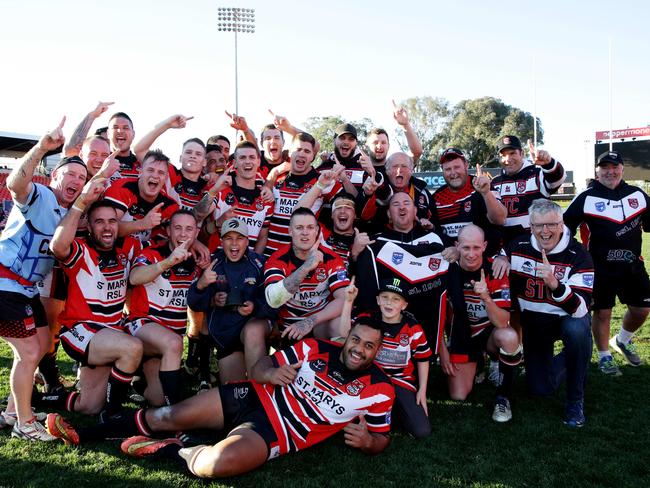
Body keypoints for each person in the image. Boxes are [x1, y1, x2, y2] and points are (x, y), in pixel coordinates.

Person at [46, 321, 395, 479]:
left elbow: (382, 439)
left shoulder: (380, 389)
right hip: (253, 395)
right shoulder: (317, 348)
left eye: (369, 346)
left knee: (213, 466)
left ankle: (171, 449)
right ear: (347, 336)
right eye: (356, 340)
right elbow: (261, 367)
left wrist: (368, 442)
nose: (359, 349)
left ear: (378, 352)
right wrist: (270, 373)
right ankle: (81, 434)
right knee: (166, 413)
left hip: (277, 432)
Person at [0, 119, 86, 440]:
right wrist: (41, 147)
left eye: (82, 176)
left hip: (25, 291)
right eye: (70, 174)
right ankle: (24, 425)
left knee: (37, 349)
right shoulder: (41, 195)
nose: (76, 180)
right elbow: (15, 186)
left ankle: (12, 413)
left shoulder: (68, 215)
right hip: (6, 285)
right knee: (28, 354)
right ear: (55, 176)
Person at [41, 194, 143, 418]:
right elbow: (57, 245)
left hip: (110, 334)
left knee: (88, 406)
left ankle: (37, 398)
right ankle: (112, 415)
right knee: (132, 348)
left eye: (112, 221)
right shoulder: (81, 250)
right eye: (99, 222)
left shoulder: (129, 248)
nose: (107, 227)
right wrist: (80, 205)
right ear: (88, 226)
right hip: (81, 332)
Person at [506, 199, 593, 427]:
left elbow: (580, 308)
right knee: (539, 388)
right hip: (535, 325)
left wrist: (555, 285)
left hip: (567, 319)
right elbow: (495, 253)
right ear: (531, 226)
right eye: (538, 226)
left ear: (561, 223)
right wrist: (499, 258)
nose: (545, 231)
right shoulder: (518, 246)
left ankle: (575, 401)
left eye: (551, 225)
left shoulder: (579, 254)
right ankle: (578, 357)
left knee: (576, 330)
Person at [564, 150, 650, 375]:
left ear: (622, 169)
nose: (610, 172)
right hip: (598, 267)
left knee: (642, 309)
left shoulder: (638, 195)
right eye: (605, 168)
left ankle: (622, 340)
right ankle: (604, 356)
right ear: (598, 171)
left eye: (614, 167)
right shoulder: (586, 197)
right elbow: (565, 227)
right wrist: (575, 253)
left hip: (632, 264)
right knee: (603, 313)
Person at [440, 225, 521, 422]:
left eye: (476, 247)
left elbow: (503, 322)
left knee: (509, 337)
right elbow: (436, 318)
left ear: (485, 246)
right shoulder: (446, 268)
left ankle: (502, 396)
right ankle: (479, 364)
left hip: (488, 335)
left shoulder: (496, 269)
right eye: (466, 248)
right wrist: (443, 352)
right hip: (461, 337)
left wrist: (486, 298)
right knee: (458, 395)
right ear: (456, 246)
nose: (471, 254)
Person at [354, 192, 448, 349]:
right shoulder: (375, 242)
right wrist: (356, 254)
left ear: (415, 211)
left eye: (406, 203)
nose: (402, 207)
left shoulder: (435, 239)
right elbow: (363, 283)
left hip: (426, 326)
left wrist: (455, 252)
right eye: (396, 205)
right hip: (387, 327)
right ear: (389, 213)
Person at [127, 210, 202, 406]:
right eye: (177, 228)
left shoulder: (198, 261)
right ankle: (174, 411)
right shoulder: (152, 253)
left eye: (189, 229)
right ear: (168, 231)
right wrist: (167, 263)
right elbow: (134, 277)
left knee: (157, 398)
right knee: (174, 343)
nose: (183, 234)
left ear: (196, 233)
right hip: (143, 327)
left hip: (167, 344)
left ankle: (138, 377)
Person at [341, 278, 431, 438]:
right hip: (370, 377)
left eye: (396, 299)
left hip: (399, 381)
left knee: (421, 431)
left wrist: (422, 390)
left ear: (404, 305)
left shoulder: (412, 328)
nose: (389, 303)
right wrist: (348, 303)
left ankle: (395, 411)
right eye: (385, 297)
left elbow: (423, 358)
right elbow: (343, 335)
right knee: (346, 419)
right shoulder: (367, 319)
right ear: (378, 300)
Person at [187, 218, 270, 383]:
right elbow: (194, 304)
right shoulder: (212, 264)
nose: (234, 243)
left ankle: (260, 393)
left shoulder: (260, 263)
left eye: (239, 238)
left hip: (253, 329)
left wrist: (254, 306)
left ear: (247, 241)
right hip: (226, 335)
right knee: (234, 394)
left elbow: (273, 302)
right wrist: (208, 294)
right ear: (221, 241)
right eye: (228, 238)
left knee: (256, 387)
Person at [264, 208, 350, 341]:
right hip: (285, 327)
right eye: (299, 228)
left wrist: (309, 322)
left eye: (310, 228)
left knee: (341, 326)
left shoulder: (331, 258)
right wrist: (306, 267)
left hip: (318, 324)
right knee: (255, 329)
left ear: (316, 231)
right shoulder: (277, 259)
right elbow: (274, 300)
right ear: (290, 231)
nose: (305, 233)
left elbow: (344, 299)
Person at [265, 133, 340, 256]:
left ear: (312, 156)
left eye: (307, 151)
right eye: (298, 149)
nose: (301, 154)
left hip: (301, 257)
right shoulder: (277, 178)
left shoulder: (323, 180)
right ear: (290, 153)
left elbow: (352, 204)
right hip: (270, 253)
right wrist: (269, 180)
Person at [490, 135, 566, 246]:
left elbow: (557, 180)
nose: (507, 159)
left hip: (535, 249)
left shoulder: (536, 174)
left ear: (521, 154)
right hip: (505, 251)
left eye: (512, 153)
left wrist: (549, 163)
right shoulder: (495, 182)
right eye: (503, 155)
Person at [433, 147, 506, 256]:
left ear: (466, 165)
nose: (453, 173)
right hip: (451, 263)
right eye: (448, 169)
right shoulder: (436, 197)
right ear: (442, 170)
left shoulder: (481, 186)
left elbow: (500, 219)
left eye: (457, 167)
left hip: (484, 260)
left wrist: (486, 193)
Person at [104, 149, 179, 244]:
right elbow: (106, 229)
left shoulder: (170, 206)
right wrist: (142, 223)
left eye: (161, 172)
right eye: (150, 170)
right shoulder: (123, 187)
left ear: (166, 178)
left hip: (144, 255)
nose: (155, 176)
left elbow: (164, 244)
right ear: (140, 172)